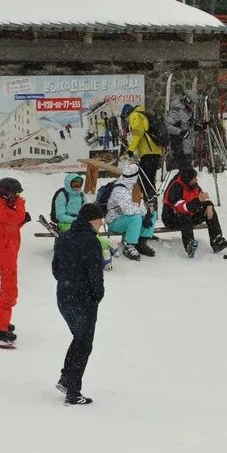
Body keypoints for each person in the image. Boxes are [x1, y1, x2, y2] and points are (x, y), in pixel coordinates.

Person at [53, 203, 107, 406]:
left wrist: (67, 283)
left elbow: (56, 268)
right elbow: (95, 272)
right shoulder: (91, 242)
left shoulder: (64, 237)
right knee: (84, 343)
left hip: (64, 296)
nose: (102, 223)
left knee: (79, 338)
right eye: (100, 219)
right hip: (84, 299)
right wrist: (97, 295)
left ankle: (66, 379)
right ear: (92, 219)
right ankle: (73, 392)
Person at [0, 177, 29, 347]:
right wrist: (21, 212)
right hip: (4, 252)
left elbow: (11, 225)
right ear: (6, 193)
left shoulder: (1, 204)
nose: (18, 197)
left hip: (7, 249)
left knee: (6, 288)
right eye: (16, 194)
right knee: (10, 291)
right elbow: (14, 218)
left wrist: (22, 221)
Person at [162, 167, 227, 257]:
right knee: (184, 216)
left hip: (189, 214)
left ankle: (217, 241)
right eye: (194, 178)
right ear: (187, 180)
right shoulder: (176, 187)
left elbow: (203, 199)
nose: (196, 179)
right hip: (171, 218)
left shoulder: (194, 185)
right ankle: (189, 245)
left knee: (209, 211)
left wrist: (209, 205)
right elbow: (182, 208)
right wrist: (198, 200)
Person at [104, 163, 157, 261]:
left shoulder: (127, 183)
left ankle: (141, 242)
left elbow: (131, 206)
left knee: (152, 212)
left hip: (124, 218)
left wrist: (147, 212)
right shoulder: (120, 190)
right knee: (136, 217)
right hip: (114, 221)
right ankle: (129, 245)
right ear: (136, 176)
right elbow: (128, 210)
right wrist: (144, 214)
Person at [122, 103, 163, 199]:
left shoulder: (134, 115)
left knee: (145, 180)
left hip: (148, 151)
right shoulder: (142, 114)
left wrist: (130, 149)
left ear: (126, 114)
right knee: (149, 180)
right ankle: (152, 202)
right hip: (154, 151)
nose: (126, 121)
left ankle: (149, 201)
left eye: (125, 119)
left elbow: (138, 133)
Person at [165, 92, 196, 170]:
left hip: (187, 148)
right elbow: (166, 125)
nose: (193, 106)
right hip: (179, 147)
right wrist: (179, 132)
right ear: (187, 101)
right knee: (184, 174)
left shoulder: (187, 112)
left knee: (187, 174)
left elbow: (186, 127)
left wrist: (196, 127)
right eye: (192, 104)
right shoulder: (177, 111)